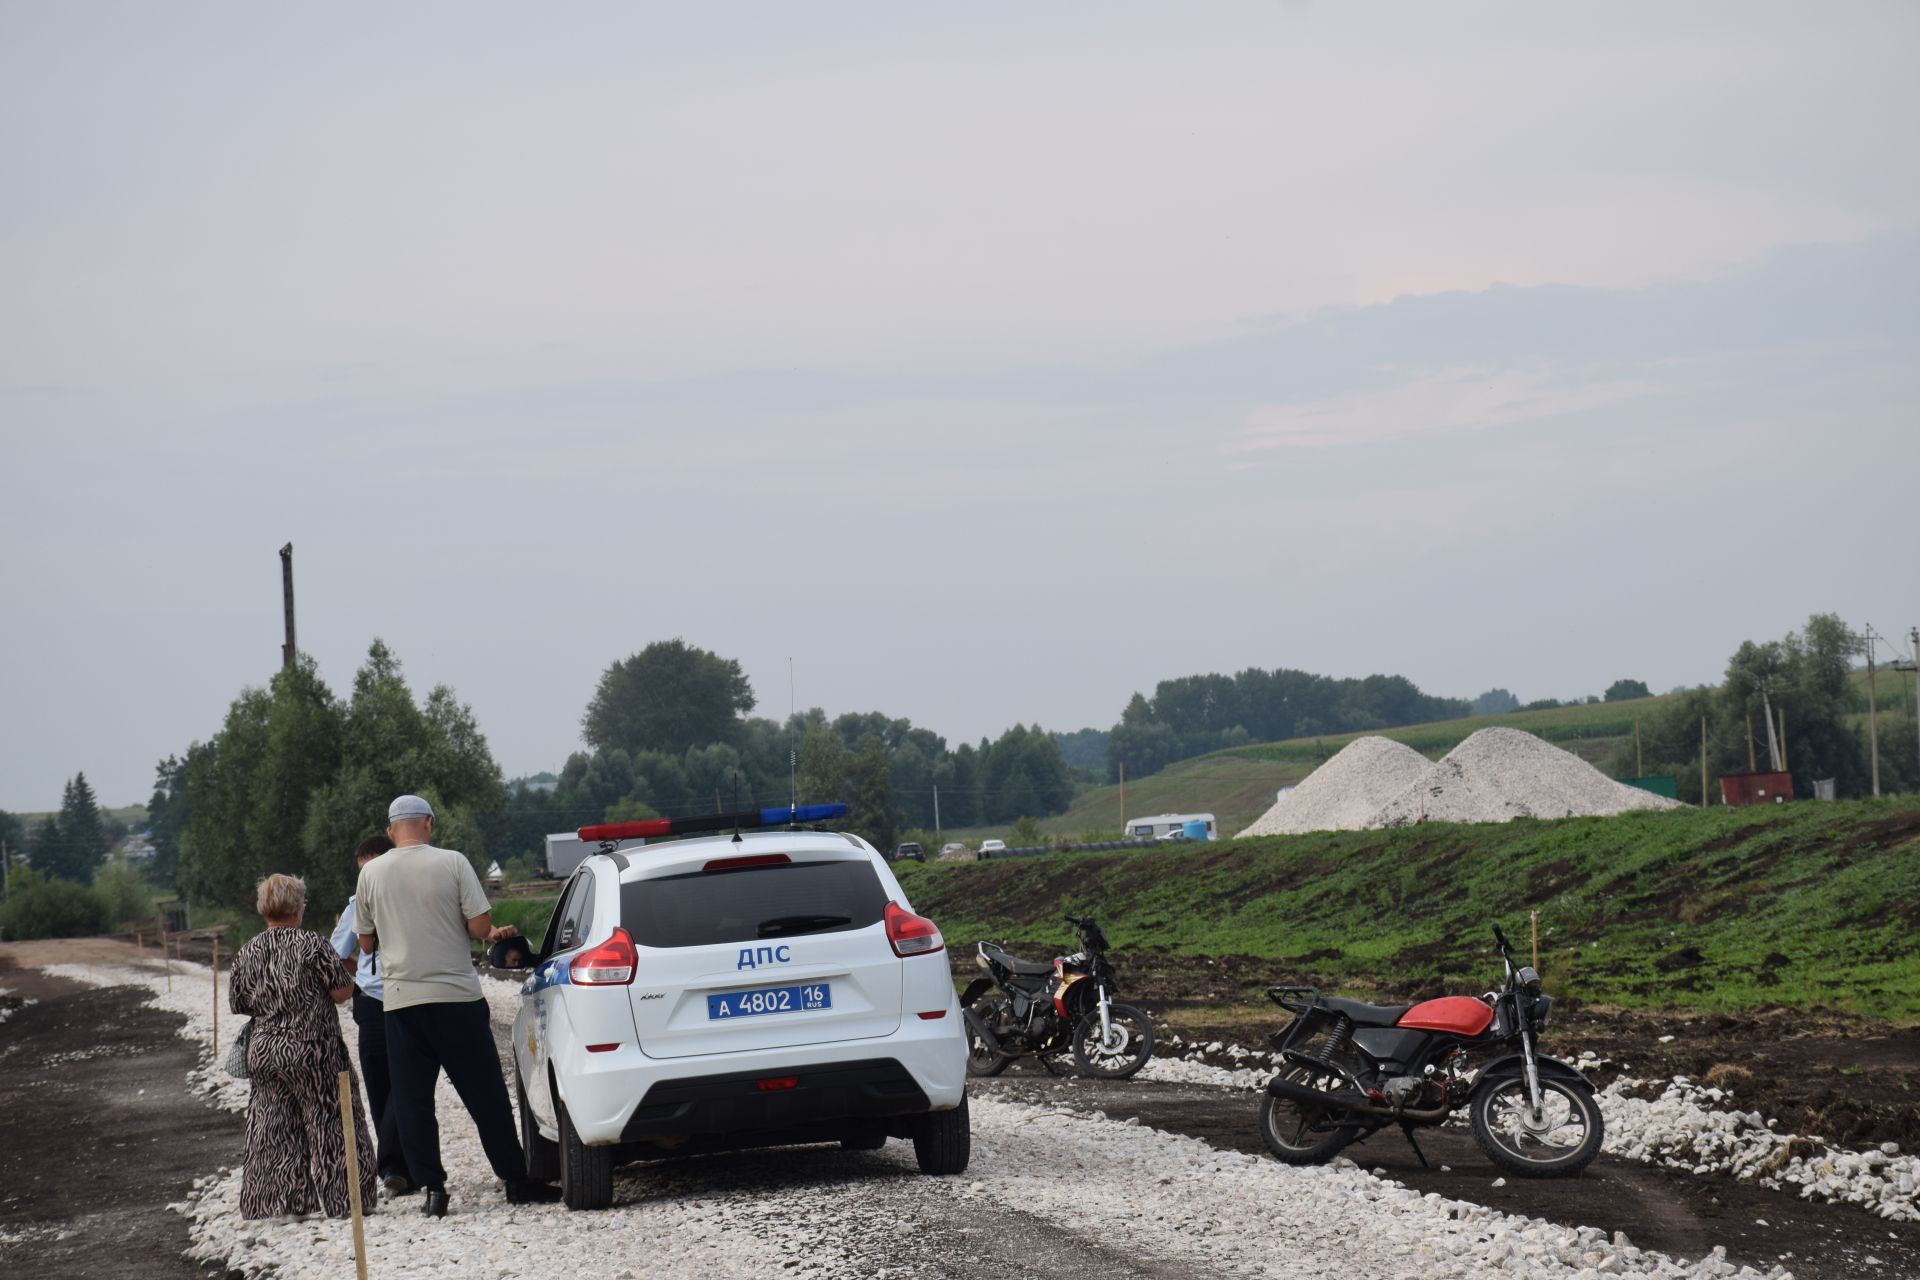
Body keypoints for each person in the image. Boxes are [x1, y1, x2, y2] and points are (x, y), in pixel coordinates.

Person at [356, 794, 559, 1216]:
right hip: (457, 999)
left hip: (401, 1002)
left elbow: (365, 941)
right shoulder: (453, 862)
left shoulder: (371, 873)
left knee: (412, 1100)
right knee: (485, 1093)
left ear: (393, 829)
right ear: (427, 823)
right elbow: (479, 927)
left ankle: (434, 1189)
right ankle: (515, 1180)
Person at [229, 873, 378, 1220]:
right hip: (314, 1048)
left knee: (274, 1126)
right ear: (297, 907)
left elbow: (239, 1003)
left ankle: (282, 1206)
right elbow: (342, 993)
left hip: (265, 1051)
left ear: (262, 908)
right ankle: (347, 1201)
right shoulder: (312, 944)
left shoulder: (247, 950)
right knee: (333, 1123)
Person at [330, 834, 407, 1194]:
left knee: (406, 1078)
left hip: (411, 995)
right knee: (379, 1082)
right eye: (363, 869)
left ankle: (396, 1163)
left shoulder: (409, 898)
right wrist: (362, 967)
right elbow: (335, 956)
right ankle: (395, 1167)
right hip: (373, 1000)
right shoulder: (353, 907)